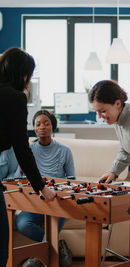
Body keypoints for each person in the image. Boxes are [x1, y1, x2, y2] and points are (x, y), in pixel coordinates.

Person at [0, 47, 56, 266]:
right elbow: (22, 148)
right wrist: (41, 187)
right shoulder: (15, 98)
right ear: (23, 74)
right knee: (1, 247)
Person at [88, 79, 130, 266]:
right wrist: (113, 172)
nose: (100, 116)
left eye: (103, 111)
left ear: (117, 103)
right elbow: (125, 149)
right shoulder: (118, 119)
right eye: (97, 112)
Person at [15, 109, 75, 243]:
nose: (42, 127)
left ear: (53, 126)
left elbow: (72, 179)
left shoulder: (65, 150)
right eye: (38, 124)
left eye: (46, 123)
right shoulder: (27, 151)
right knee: (23, 224)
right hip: (35, 202)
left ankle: (41, 259)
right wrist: (20, 170)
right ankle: (57, 246)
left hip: (58, 202)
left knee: (55, 221)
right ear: (35, 129)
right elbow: (16, 179)